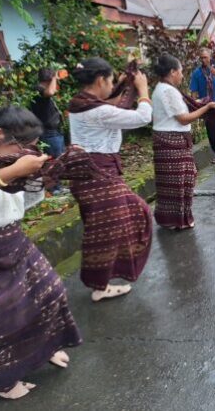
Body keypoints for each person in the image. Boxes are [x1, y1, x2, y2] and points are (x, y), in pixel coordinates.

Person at [0, 106, 81, 400]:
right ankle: (1, 380)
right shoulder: (8, 164)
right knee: (4, 317)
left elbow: (27, 200)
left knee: (50, 291)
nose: (26, 152)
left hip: (13, 238)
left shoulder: (12, 158)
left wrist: (43, 175)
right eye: (21, 145)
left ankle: (41, 350)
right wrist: (11, 172)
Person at [68, 57, 153, 301]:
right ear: (100, 80)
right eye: (111, 80)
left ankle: (103, 280)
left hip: (89, 173)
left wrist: (124, 84)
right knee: (110, 227)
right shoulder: (96, 111)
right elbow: (142, 117)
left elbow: (112, 103)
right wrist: (143, 90)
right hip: (98, 173)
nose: (113, 84)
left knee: (107, 227)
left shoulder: (81, 103)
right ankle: (100, 285)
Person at [151, 53, 215, 230]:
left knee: (179, 181)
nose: (183, 75)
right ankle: (176, 220)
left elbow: (180, 110)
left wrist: (200, 102)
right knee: (180, 182)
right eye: (181, 71)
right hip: (172, 141)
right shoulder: (167, 91)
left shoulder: (165, 89)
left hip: (172, 140)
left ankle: (175, 219)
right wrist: (206, 107)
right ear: (173, 72)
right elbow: (183, 118)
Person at [30, 68, 66, 192]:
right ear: (49, 79)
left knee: (57, 160)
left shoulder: (41, 90)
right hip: (48, 133)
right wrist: (55, 77)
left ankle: (58, 187)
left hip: (54, 131)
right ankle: (54, 189)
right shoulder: (38, 89)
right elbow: (51, 92)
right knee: (52, 162)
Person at [190, 47, 215, 164]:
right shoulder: (197, 73)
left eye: (205, 57)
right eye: (201, 58)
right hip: (207, 106)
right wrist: (195, 105)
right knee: (211, 132)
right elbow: (194, 92)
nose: (203, 60)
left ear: (210, 57)